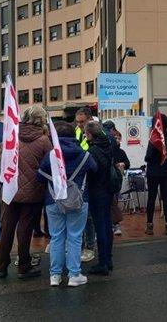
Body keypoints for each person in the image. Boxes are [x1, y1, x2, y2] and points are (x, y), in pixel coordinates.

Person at [36, 121, 97, 287]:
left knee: (56, 238)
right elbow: (95, 170)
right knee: (75, 238)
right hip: (78, 200)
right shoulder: (84, 155)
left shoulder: (50, 156)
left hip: (53, 200)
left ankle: (55, 276)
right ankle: (74, 275)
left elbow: (40, 177)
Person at [0, 106, 52, 279]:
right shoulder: (44, 140)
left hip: (10, 189)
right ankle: (24, 266)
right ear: (41, 119)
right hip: (32, 191)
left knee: (7, 228)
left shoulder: (11, 136)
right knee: (25, 228)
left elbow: (3, 161)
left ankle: (1, 266)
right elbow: (50, 165)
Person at [84, 121, 116, 275]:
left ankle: (102, 263)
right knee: (107, 225)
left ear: (90, 134)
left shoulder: (92, 151)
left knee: (100, 227)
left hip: (97, 191)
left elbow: (90, 172)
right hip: (108, 189)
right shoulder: (109, 145)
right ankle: (108, 260)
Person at [144, 114, 167, 236]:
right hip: (166, 172)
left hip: (153, 172)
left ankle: (149, 226)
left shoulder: (153, 139)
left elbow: (147, 157)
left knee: (151, 198)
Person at [73, 107, 95, 262]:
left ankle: (90, 246)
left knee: (89, 216)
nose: (79, 125)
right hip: (79, 177)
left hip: (90, 176)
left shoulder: (95, 132)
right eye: (78, 122)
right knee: (81, 214)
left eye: (82, 122)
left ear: (89, 119)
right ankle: (81, 245)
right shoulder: (77, 131)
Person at [103, 121, 130, 236]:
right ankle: (112, 224)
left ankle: (116, 224)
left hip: (116, 179)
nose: (116, 140)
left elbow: (127, 163)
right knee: (110, 202)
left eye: (118, 138)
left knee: (113, 202)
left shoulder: (121, 152)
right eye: (115, 138)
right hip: (109, 177)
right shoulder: (107, 148)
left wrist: (122, 164)